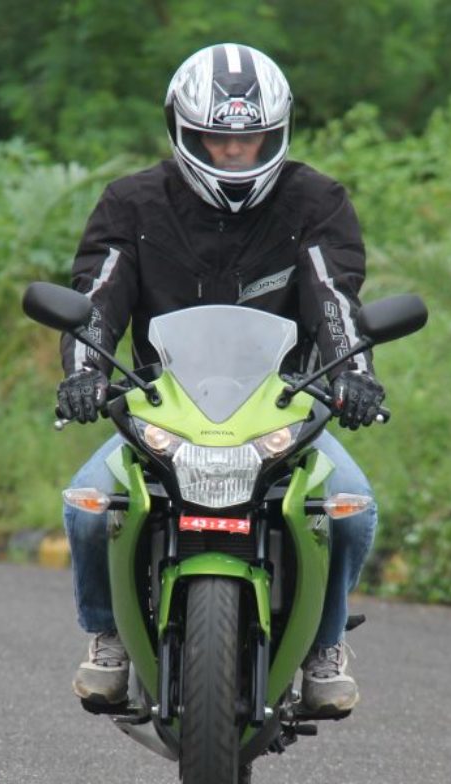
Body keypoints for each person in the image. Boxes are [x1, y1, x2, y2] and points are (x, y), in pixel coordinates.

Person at [58, 43, 386, 714]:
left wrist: (355, 374)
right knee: (89, 508)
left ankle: (324, 645)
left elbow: (334, 295)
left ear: (278, 131)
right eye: (217, 138)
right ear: (183, 130)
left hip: (284, 410)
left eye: (250, 139)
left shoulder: (315, 201)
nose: (235, 152)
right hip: (161, 408)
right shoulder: (132, 203)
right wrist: (84, 373)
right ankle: (109, 633)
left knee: (351, 508)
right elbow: (97, 296)